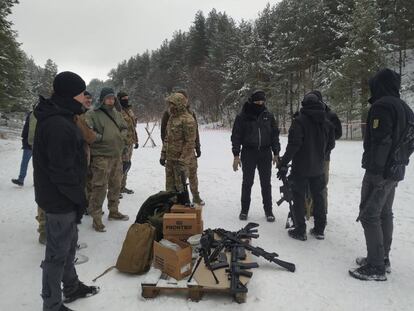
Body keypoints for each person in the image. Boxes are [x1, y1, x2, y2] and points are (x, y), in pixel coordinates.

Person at [33, 71, 99, 311]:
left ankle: (71, 286)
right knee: (56, 255)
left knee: (69, 247)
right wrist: (78, 199)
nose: (85, 97)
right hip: (59, 200)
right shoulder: (58, 124)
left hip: (65, 198)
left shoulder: (64, 117)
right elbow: (61, 171)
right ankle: (51, 305)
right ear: (71, 94)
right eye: (82, 93)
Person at [349, 68, 414, 281]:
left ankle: (376, 266)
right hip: (395, 169)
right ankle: (381, 258)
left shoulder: (382, 106)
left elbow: (381, 140)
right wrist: (400, 159)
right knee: (385, 212)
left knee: (369, 213)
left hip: (380, 171)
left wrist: (376, 170)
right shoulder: (405, 107)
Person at [278, 92, 335, 241]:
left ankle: (300, 230)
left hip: (301, 167)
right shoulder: (326, 122)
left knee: (298, 196)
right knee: (319, 197)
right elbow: (331, 144)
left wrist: (283, 163)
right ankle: (319, 229)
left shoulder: (299, 121)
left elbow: (294, 145)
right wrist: (320, 154)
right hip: (318, 167)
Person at [231, 90, 280, 222]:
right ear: (252, 101)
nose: (260, 103)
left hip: (265, 153)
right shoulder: (242, 116)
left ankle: (268, 211)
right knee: (247, 183)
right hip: (248, 153)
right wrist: (236, 155)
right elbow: (236, 136)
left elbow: (274, 135)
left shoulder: (268, 116)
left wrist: (276, 152)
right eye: (258, 101)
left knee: (266, 183)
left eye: (262, 101)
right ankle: (244, 210)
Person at [85, 87, 129, 232]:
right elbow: (87, 132)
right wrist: (102, 138)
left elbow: (125, 127)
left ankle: (114, 211)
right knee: (99, 187)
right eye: (108, 98)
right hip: (101, 157)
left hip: (116, 156)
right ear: (102, 99)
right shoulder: (93, 114)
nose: (110, 100)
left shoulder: (117, 113)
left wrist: (121, 137)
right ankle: (96, 217)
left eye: (112, 98)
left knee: (116, 185)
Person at [160, 89, 204, 205]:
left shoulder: (188, 119)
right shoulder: (171, 117)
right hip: (171, 159)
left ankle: (186, 205)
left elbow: (190, 142)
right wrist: (163, 154)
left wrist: (182, 160)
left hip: (182, 160)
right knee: (170, 187)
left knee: (182, 186)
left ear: (179, 103)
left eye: (172, 103)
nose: (170, 106)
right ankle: (171, 206)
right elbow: (166, 138)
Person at [304, 91, 342, 217]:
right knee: (306, 184)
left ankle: (321, 211)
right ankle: (306, 209)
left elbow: (338, 133)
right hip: (308, 154)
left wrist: (325, 139)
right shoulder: (306, 112)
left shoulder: (330, 115)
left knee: (321, 184)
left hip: (323, 156)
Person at [118, 91, 138, 195]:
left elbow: (133, 126)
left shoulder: (129, 110)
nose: (126, 99)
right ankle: (116, 189)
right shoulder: (117, 111)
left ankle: (123, 186)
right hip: (122, 143)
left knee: (127, 165)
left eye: (127, 97)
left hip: (130, 142)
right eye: (123, 98)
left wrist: (136, 140)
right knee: (121, 166)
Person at [11, 110, 37, 186]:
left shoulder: (34, 114)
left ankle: (22, 180)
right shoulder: (33, 114)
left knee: (29, 163)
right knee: (33, 163)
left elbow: (30, 129)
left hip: (33, 143)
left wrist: (29, 141)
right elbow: (27, 127)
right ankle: (22, 180)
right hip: (31, 143)